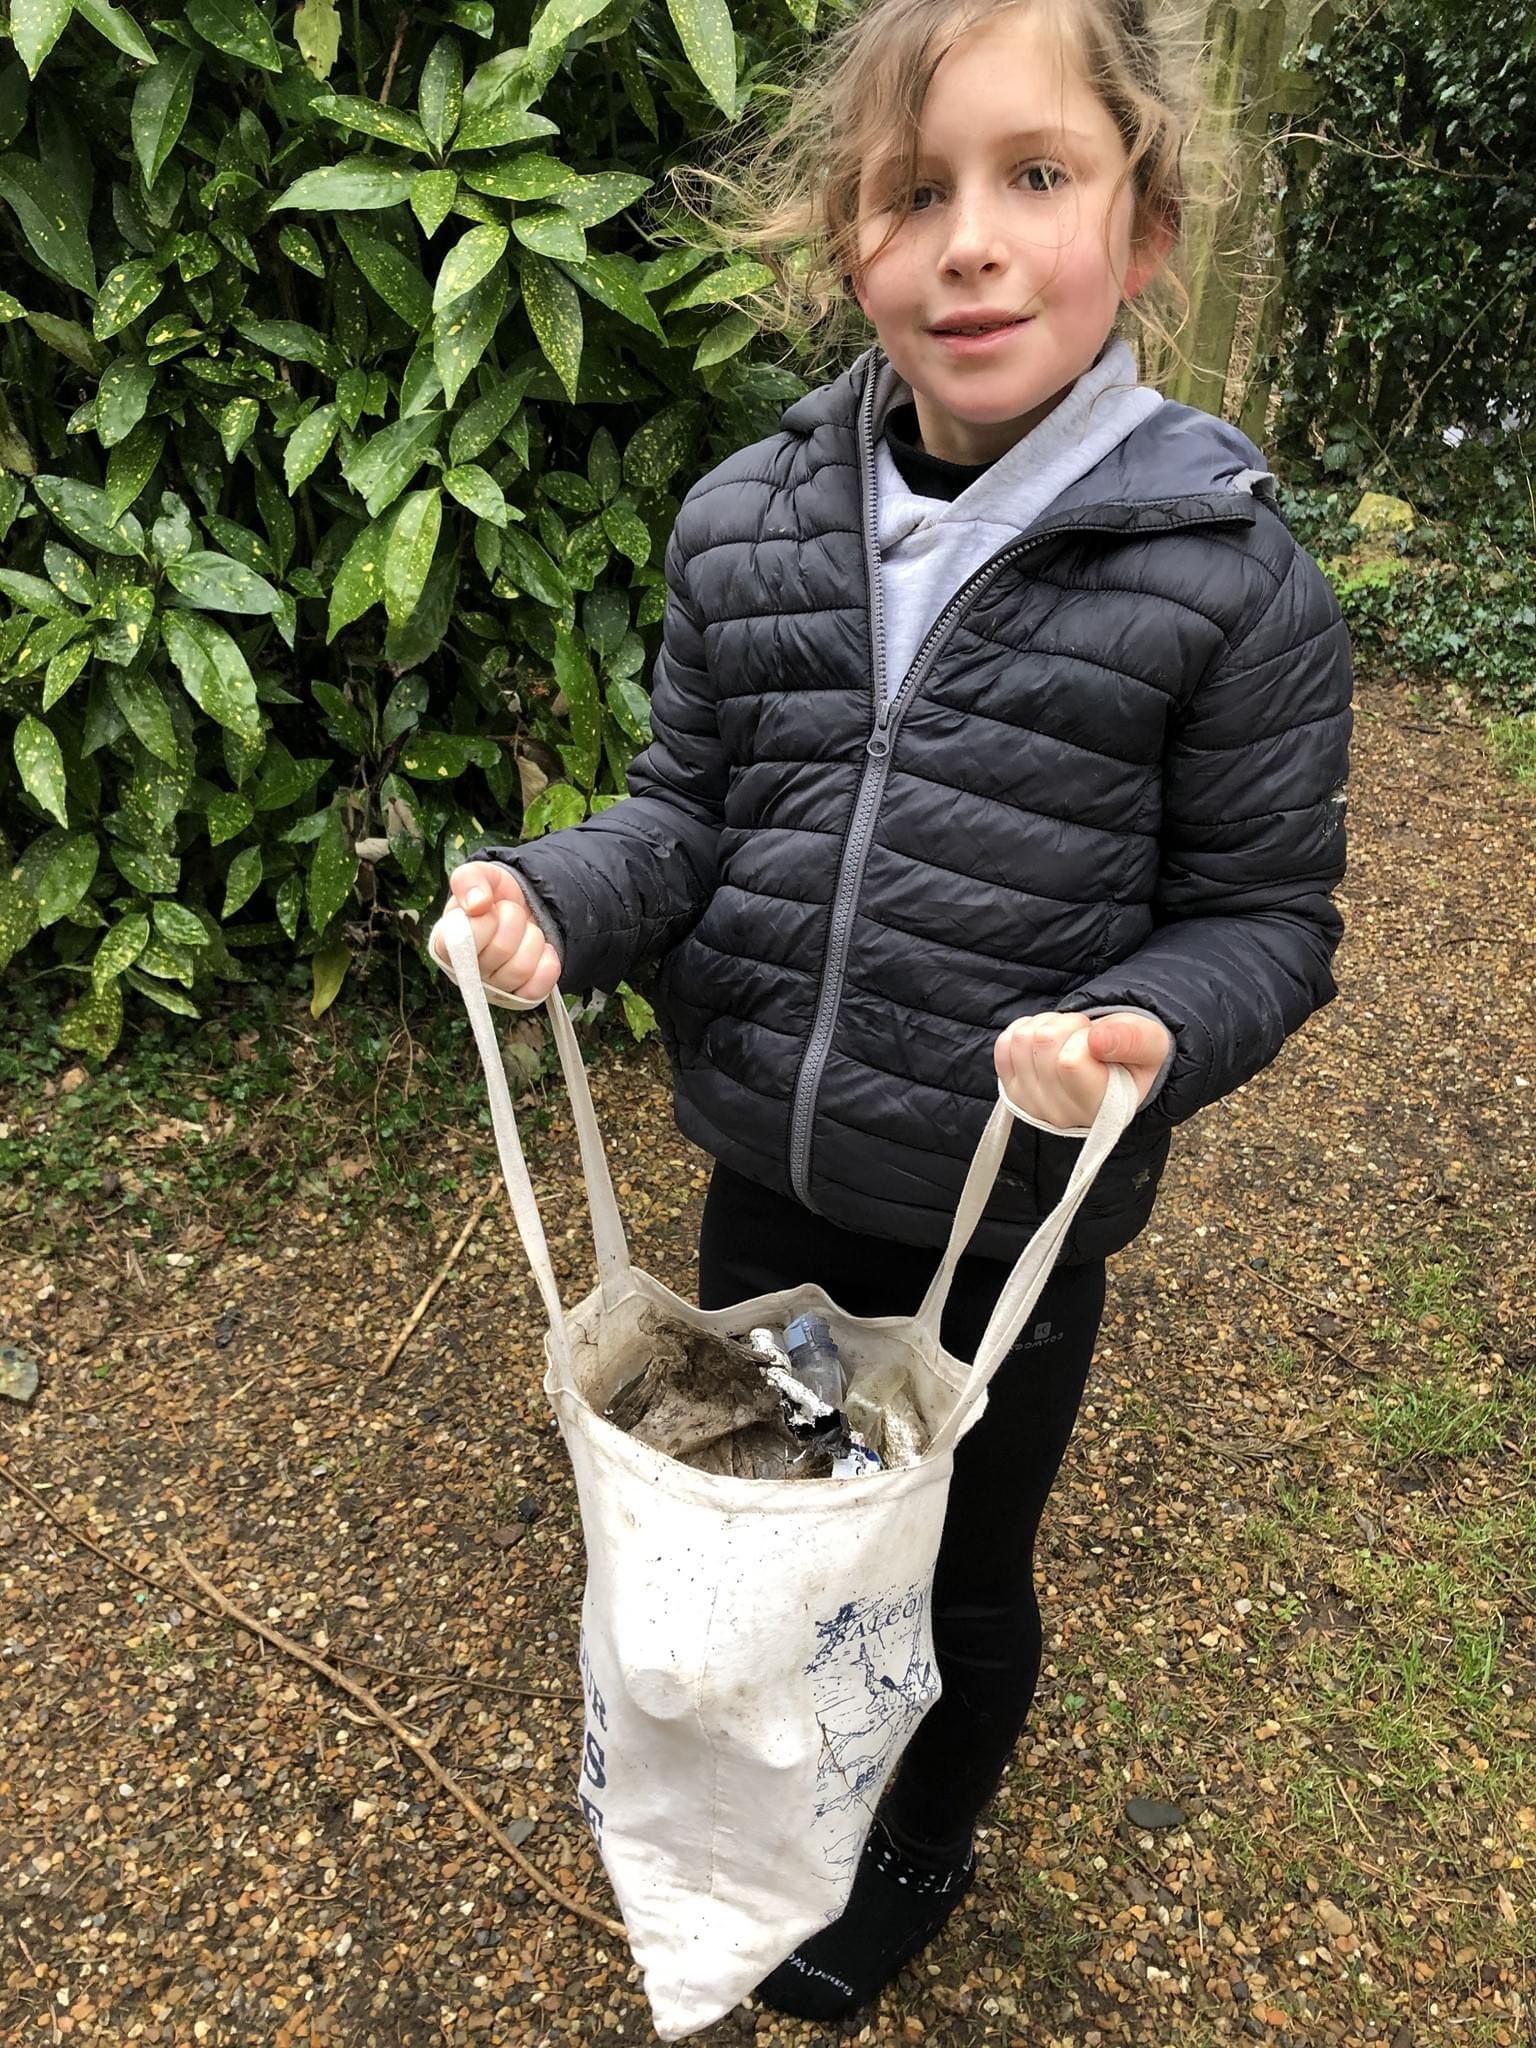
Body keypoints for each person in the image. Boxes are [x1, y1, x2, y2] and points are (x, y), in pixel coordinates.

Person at [433, 0, 1352, 2020]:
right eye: (911, 190)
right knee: (777, 1511)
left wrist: (1137, 1033)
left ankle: (924, 1818)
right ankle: (785, 1778)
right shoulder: (743, 527)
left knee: (951, 1552)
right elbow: (682, 814)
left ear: (1149, 222)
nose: (971, 240)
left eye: (1038, 176)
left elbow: (1266, 914)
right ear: (842, 240)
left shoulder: (1228, 576)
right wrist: (556, 905)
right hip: (771, 1159)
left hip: (1003, 1222)